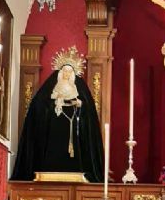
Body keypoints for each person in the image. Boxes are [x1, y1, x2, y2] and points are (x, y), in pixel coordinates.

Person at [11, 46, 104, 182]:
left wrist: (80, 105)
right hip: (54, 130)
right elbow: (38, 107)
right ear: (60, 72)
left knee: (74, 152)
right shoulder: (50, 89)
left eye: (69, 71)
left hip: (74, 130)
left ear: (73, 73)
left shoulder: (80, 90)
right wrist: (53, 104)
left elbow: (88, 116)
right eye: (64, 71)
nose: (66, 74)